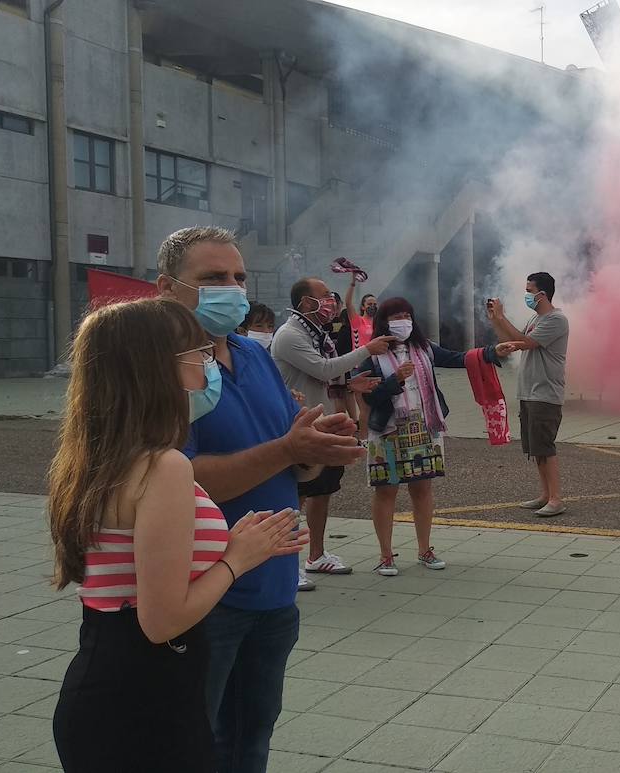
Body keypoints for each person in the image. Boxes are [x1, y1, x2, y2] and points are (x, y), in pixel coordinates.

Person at [48, 299, 306, 773]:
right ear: (155, 369)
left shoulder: (100, 456)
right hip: (144, 692)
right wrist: (237, 559)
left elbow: (132, 568)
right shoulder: (163, 466)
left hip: (110, 680)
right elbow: (161, 621)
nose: (206, 369)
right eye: (196, 355)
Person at [155, 226, 364, 773]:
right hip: (205, 595)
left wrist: (316, 450)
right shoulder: (166, 373)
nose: (232, 289)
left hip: (274, 590)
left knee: (252, 736)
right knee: (193, 742)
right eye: (213, 279)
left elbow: (291, 460)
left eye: (239, 278)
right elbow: (181, 481)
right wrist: (286, 448)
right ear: (168, 288)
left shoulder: (254, 355)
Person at [354, 297, 510, 575]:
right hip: (388, 430)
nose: (403, 321)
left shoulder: (423, 347)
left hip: (424, 426)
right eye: (396, 316)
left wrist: (492, 351)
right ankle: (386, 555)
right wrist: (394, 381)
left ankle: (425, 549)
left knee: (422, 488)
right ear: (383, 321)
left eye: (407, 315)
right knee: (386, 490)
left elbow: (458, 358)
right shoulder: (372, 353)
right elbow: (366, 393)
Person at [271, 276, 395, 587]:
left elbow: (324, 378)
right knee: (294, 496)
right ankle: (287, 564)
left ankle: (316, 555)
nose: (331, 301)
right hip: (297, 426)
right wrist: (367, 349)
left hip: (322, 422)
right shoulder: (289, 335)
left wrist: (351, 384)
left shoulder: (317, 335)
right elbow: (324, 369)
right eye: (324, 296)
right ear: (305, 303)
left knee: (323, 490)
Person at [486, 272, 570, 517]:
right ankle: (545, 494)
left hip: (545, 392)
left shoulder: (557, 320)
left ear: (542, 294)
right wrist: (495, 320)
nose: (527, 295)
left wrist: (503, 317)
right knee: (535, 448)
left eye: (529, 290)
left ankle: (556, 498)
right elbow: (509, 342)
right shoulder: (536, 318)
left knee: (545, 447)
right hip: (529, 392)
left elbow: (525, 342)